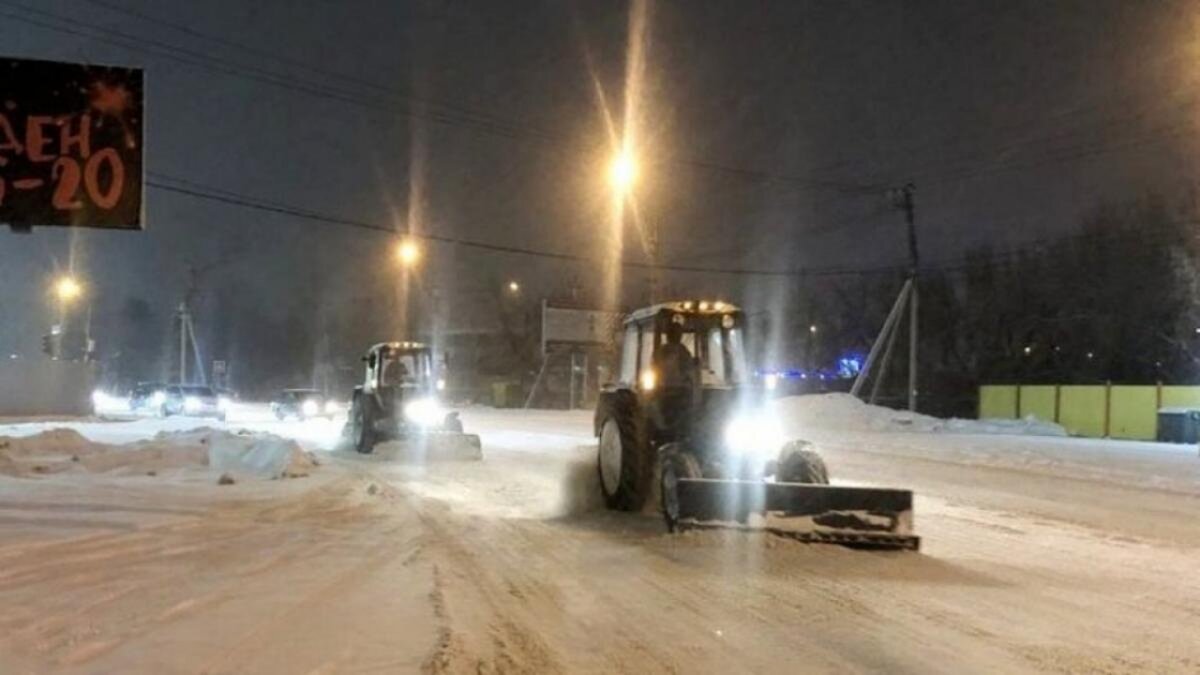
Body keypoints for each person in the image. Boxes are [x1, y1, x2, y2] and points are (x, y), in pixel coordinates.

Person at [651, 320, 698, 437]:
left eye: (679, 333)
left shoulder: (682, 350)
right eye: (676, 333)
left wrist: (693, 365)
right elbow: (657, 367)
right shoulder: (664, 351)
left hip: (682, 390)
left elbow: (688, 368)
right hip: (665, 391)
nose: (678, 335)